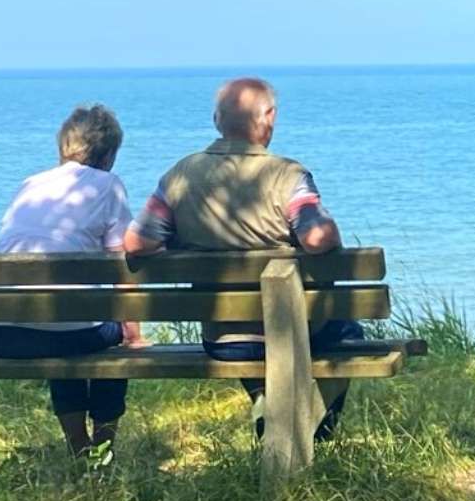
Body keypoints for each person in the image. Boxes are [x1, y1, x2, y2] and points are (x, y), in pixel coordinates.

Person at [122, 76, 360, 441]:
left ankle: (267, 406)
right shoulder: (287, 175)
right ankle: (314, 430)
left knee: (249, 328)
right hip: (295, 332)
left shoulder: (180, 176)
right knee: (350, 332)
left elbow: (136, 242)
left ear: (217, 121)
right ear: (270, 118)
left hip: (223, 338)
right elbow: (316, 238)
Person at [0, 104, 140, 461]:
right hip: (69, 331)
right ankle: (102, 450)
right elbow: (121, 269)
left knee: (62, 321)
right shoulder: (109, 185)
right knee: (95, 337)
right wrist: (134, 334)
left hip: (0, 334)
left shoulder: (30, 184)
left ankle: (77, 445)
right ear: (109, 151)